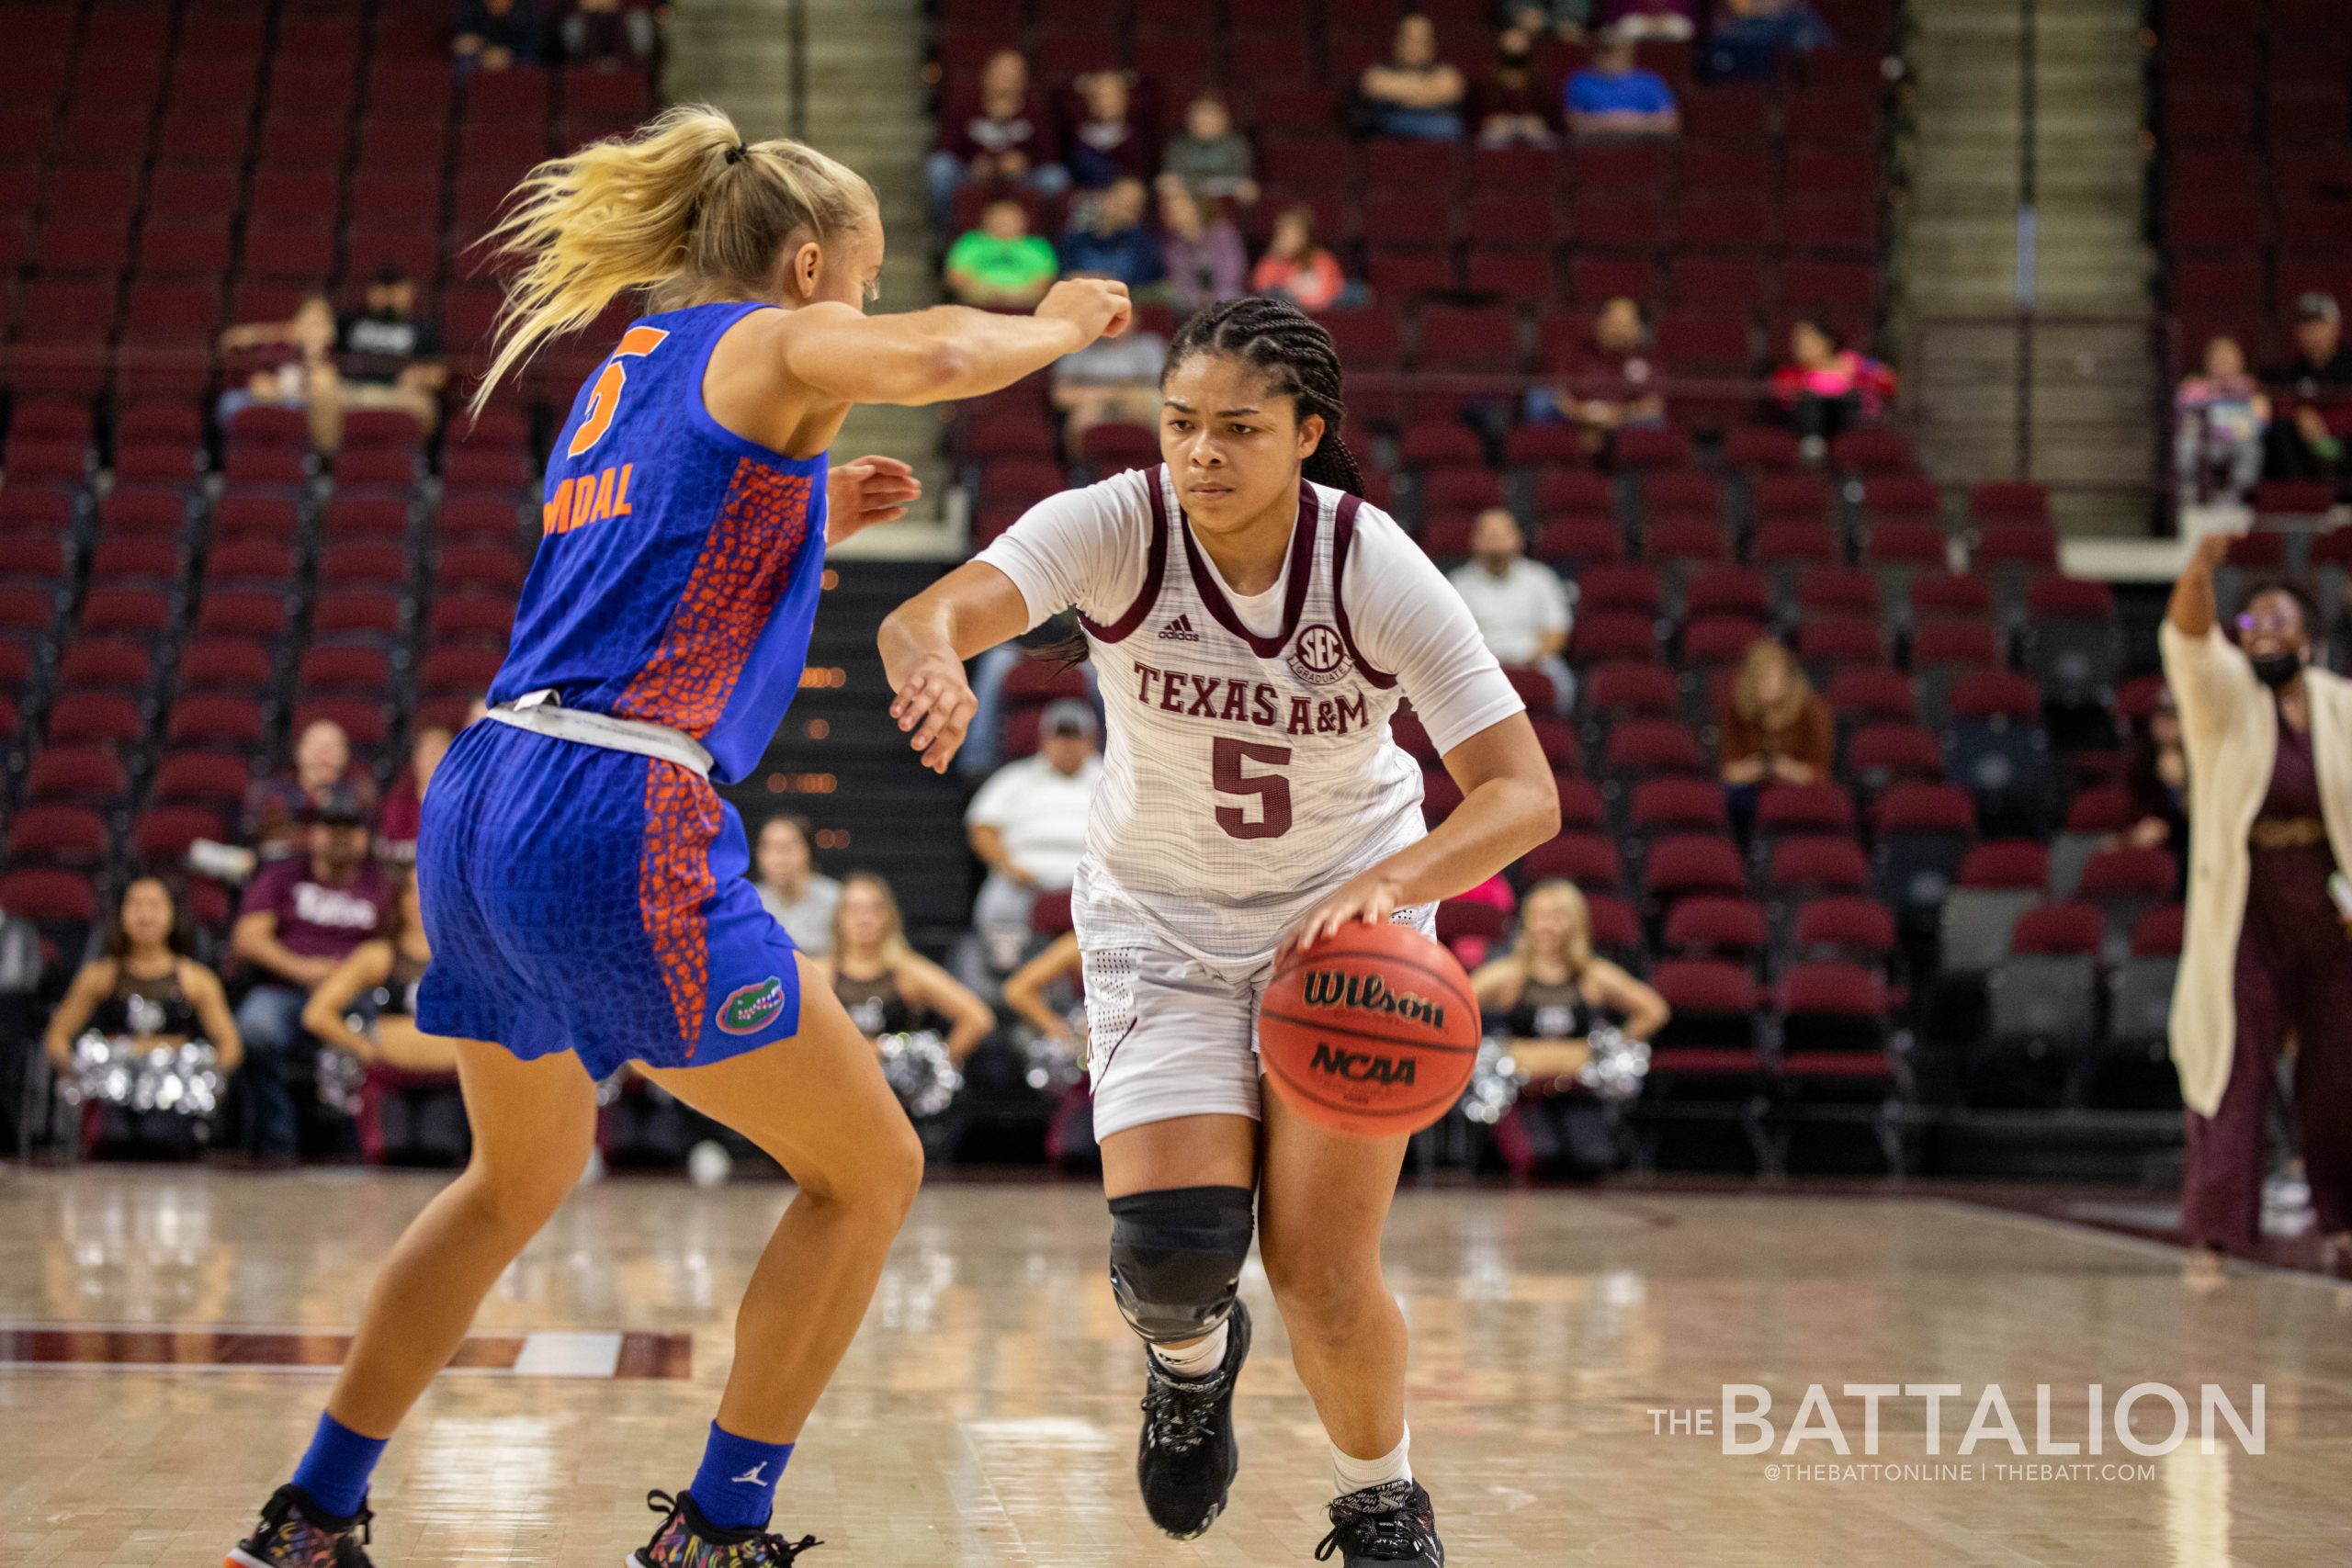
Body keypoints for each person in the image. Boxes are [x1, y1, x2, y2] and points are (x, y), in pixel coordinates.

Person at [221, 104, 1132, 1568]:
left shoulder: (623, 371)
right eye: (863, 275)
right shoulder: (763, 335)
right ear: (810, 262)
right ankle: (720, 1527)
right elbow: (947, 359)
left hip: (485, 786)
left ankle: (310, 1513)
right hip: (611, 811)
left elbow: (648, 566)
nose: (860, 303)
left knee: (510, 1177)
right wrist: (1062, 316)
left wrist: (806, 516)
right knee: (869, 1169)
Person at [878, 295, 1559, 1563]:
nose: (1200, 451)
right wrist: (926, 652)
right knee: (1175, 1254)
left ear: (1307, 432)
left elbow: (1525, 796)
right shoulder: (1118, 524)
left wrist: (1393, 878)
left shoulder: (1369, 561)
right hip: (1161, 920)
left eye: (1237, 428)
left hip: (1343, 925)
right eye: (1181, 421)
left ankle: (1381, 1501)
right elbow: (932, 612)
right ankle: (1190, 1369)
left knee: (1317, 1272)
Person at [2160, 537, 2352, 1280]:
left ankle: (2342, 1218)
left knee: (2339, 1074)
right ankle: (2216, 1230)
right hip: (2246, 906)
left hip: (2331, 910)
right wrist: (2199, 572)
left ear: (2309, 634)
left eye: (2277, 619)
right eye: (2252, 622)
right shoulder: (2228, 696)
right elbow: (2188, 639)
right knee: (2232, 1064)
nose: (2262, 631)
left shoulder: (2339, 705)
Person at [229, 792, 394, 1163]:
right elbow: (247, 939)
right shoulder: (282, 875)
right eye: (330, 826)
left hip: (356, 993)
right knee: (254, 1031)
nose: (339, 836)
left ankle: (363, 1142)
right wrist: (302, 968)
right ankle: (278, 1140)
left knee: (387, 1035)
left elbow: (396, 949)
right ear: (312, 833)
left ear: (365, 837)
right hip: (286, 988)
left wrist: (347, 978)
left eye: (350, 828)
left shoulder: (379, 884)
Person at [1469, 879, 1668, 1177]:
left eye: (1557, 917)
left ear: (1575, 923)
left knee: (1594, 1158)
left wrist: (1613, 1044)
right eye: (1539, 916)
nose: (1546, 926)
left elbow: (1654, 1010)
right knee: (1540, 1156)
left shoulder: (1593, 975)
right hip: (1523, 1097)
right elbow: (1453, 1004)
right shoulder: (1508, 975)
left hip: (1578, 1094)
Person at [302, 878, 465, 1160]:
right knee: (388, 1154)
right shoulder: (378, 956)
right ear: (400, 900)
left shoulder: (467, 957)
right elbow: (317, 1013)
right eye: (413, 890)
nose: (422, 899)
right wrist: (360, 1045)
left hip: (451, 1082)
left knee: (442, 1155)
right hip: (388, 1081)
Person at [42, 876, 243, 1085]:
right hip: (112, 1090)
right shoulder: (99, 975)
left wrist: (205, 1079)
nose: (145, 916)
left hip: (175, 1094)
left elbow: (230, 1045)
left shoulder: (197, 979)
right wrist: (79, 1072)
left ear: (173, 913)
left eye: (155, 905)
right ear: (120, 912)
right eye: (136, 905)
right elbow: (57, 1036)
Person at [966, 698, 1104, 974]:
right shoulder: (1015, 778)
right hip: (1023, 879)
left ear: (1090, 740)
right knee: (999, 900)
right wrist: (1007, 866)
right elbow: (982, 828)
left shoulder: (1111, 778)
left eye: (1075, 738)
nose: (1067, 746)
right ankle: (1005, 973)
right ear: (1044, 739)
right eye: (1060, 737)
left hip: (1091, 881)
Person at [818, 873, 994, 1062]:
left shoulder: (909, 972)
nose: (864, 919)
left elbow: (978, 1018)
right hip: (836, 1084)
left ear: (889, 916)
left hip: (894, 1086)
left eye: (874, 909)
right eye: (855, 910)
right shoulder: (818, 973)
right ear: (839, 917)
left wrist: (934, 1070)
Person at [1445, 508, 1577, 714]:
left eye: (1501, 533)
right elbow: (1452, 638)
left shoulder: (1540, 578)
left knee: (1561, 678)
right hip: (1480, 664)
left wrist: (1530, 661)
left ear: (1518, 538)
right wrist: (1489, 663)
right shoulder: (1458, 583)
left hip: (1535, 662)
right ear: (1474, 541)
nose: (1495, 539)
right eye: (1488, 534)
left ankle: (1558, 733)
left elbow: (1557, 633)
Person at [927, 49, 1068, 229]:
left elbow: (1049, 154)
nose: (1006, 81)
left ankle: (1047, 235)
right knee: (940, 168)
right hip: (973, 172)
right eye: (1001, 74)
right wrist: (975, 163)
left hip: (1022, 175)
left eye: (1012, 75)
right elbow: (947, 146)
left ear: (1023, 80)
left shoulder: (1035, 110)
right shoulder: (966, 106)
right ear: (986, 76)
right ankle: (945, 232)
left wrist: (1024, 163)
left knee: (1055, 178)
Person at [315, 265, 447, 447]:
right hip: (352, 391)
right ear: (371, 292)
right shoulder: (350, 322)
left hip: (398, 395)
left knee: (425, 406)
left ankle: (416, 464)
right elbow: (312, 332)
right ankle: (327, 464)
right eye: (382, 289)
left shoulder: (424, 330)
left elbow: (439, 374)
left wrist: (420, 375)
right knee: (321, 387)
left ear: (409, 292)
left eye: (396, 290)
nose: (389, 296)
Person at [1718, 639, 1834, 838]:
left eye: (1772, 677)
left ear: (1787, 679)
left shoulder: (1812, 711)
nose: (1767, 684)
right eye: (1760, 678)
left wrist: (1789, 770)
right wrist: (1757, 768)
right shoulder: (1735, 711)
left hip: (1799, 791)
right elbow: (1729, 770)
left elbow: (1821, 772)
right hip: (1751, 792)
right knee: (1730, 798)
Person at [1535, 294, 1666, 454]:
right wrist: (1583, 415)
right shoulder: (1578, 352)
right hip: (1577, 418)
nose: (1620, 332)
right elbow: (1558, 394)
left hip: (1625, 425)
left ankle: (1634, 473)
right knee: (1539, 401)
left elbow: (1653, 406)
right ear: (1600, 324)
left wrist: (1615, 417)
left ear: (1638, 329)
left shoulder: (1648, 359)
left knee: (1655, 423)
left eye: (1626, 325)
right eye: (1615, 324)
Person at [243, 718, 377, 862]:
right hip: (280, 873)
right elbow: (264, 845)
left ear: (345, 755)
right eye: (317, 746)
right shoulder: (270, 792)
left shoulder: (360, 794)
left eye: (332, 747)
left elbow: (363, 846)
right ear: (299, 750)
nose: (324, 754)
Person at [216, 291, 338, 442]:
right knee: (229, 402)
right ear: (297, 321)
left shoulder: (333, 355)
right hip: (261, 396)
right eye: (309, 320)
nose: (313, 329)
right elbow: (258, 383)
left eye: (319, 323)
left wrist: (313, 355)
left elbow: (318, 393)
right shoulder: (280, 346)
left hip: (296, 404)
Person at [1770, 319, 1895, 461]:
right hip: (1812, 425)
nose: (1800, 346)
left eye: (1809, 339)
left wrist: (1856, 376)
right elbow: (1783, 400)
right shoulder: (1790, 374)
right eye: (1796, 341)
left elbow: (1888, 381)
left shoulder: (1853, 362)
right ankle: (1814, 449)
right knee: (1810, 401)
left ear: (1828, 341)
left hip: (1848, 420)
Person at [2263, 292, 2352, 485]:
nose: (2313, 333)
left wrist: (2329, 428)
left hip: (2343, 440)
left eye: (2319, 325)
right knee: (2280, 431)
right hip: (2309, 446)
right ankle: (2301, 496)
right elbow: (2283, 406)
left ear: (2336, 327)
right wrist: (2300, 414)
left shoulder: (2348, 364)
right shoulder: (2293, 372)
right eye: (2307, 326)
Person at [2176, 334, 2271, 505]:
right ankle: (2188, 490)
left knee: (2252, 448)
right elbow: (2182, 417)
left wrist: (2233, 430)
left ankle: (2236, 494)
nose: (2223, 363)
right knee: (2183, 444)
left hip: (2236, 441)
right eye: (2218, 358)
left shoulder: (2251, 389)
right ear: (2207, 363)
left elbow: (2260, 423)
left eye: (2228, 358)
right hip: (2204, 441)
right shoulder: (2195, 388)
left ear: (2240, 362)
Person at [1050, 313, 1172, 442]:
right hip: (1094, 402)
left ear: (1135, 319)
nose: (1114, 322)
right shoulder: (1077, 349)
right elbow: (1060, 396)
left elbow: (1165, 388)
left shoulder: (1149, 346)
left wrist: (1119, 393)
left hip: (1140, 401)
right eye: (1108, 315)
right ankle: (1080, 461)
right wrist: (1109, 393)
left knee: (1157, 403)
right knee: (1084, 413)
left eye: (1121, 315)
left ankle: (1162, 457)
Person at [1358, 14, 1469, 140]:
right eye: (1409, 39)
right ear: (1397, 41)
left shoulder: (1448, 74)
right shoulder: (1377, 73)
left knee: (1449, 126)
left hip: (1439, 137)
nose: (1414, 47)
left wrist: (1399, 93)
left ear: (1432, 44)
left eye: (1421, 41)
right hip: (1387, 133)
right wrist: (1429, 91)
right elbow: (1374, 87)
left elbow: (1451, 90)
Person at [944, 197, 1061, 310]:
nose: (1004, 222)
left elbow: (1045, 283)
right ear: (985, 220)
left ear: (1024, 221)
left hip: (1025, 309)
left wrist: (1014, 296)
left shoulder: (1038, 247)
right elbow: (956, 279)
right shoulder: (970, 243)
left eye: (1010, 219)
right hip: (977, 306)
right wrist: (989, 294)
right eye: (999, 218)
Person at [1564, 28, 1679, 139]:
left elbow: (1670, 123)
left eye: (1615, 51)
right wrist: (1611, 123)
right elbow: (1574, 124)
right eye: (1604, 51)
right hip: (1596, 148)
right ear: (1593, 54)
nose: (1610, 58)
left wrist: (1629, 123)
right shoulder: (1580, 82)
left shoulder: (1649, 81)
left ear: (1629, 52)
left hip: (1644, 146)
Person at [752, 814, 842, 956]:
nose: (779, 857)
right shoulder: (746, 905)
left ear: (809, 850)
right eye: (770, 847)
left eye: (787, 847)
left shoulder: (838, 901)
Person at [1060, 176, 1164, 292]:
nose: (1125, 211)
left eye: (1134, 207)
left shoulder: (1145, 246)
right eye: (1121, 202)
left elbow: (1139, 284)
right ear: (1106, 197)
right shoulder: (1076, 240)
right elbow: (1066, 277)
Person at [1158, 182, 1247, 315]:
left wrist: (1215, 297)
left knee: (1231, 297)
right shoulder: (1175, 244)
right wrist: (1197, 297)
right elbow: (1179, 279)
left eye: (1181, 206)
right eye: (1172, 207)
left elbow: (1233, 270)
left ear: (1196, 206)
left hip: (1226, 295)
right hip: (1194, 304)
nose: (1174, 211)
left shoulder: (1222, 232)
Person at [374, 725, 454, 869]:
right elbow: (385, 849)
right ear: (416, 759)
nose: (434, 758)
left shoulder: (471, 805)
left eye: (441, 750)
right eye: (428, 751)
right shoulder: (395, 804)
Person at [1158, 93, 1257, 207]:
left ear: (1224, 118)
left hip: (1223, 205)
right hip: (1187, 203)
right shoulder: (1177, 146)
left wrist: (1204, 187)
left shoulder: (1237, 146)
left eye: (1209, 114)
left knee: (1249, 190)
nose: (1203, 119)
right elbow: (1171, 180)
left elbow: (1240, 182)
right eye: (1199, 114)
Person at [1064, 69, 1154, 191]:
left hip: (1126, 197)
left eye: (1112, 96)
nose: (1105, 102)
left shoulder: (1138, 135)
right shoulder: (1077, 134)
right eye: (1099, 96)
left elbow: (1154, 91)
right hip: (1087, 199)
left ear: (1125, 99)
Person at [1250, 204, 1348, 315]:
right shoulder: (1272, 261)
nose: (1287, 240)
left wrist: (1299, 301)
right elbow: (1261, 287)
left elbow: (1325, 296)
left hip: (1320, 317)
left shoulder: (1322, 259)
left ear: (1306, 235)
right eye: (1283, 234)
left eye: (1293, 234)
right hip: (1285, 320)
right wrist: (1275, 258)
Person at [1476, 29, 1561, 148]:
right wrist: (1491, 122)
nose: (1515, 44)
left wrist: (1539, 122)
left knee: (1549, 141)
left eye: (1519, 40)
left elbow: (1551, 114)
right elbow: (1477, 114)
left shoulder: (1540, 79)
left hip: (1532, 128)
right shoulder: (1488, 79)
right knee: (1487, 141)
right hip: (1498, 129)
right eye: (1511, 40)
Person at [453, 0, 545, 71]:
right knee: (465, 60)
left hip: (517, 66)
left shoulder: (527, 11)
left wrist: (508, 57)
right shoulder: (473, 9)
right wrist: (484, 51)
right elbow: (461, 41)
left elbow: (533, 47)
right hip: (481, 62)